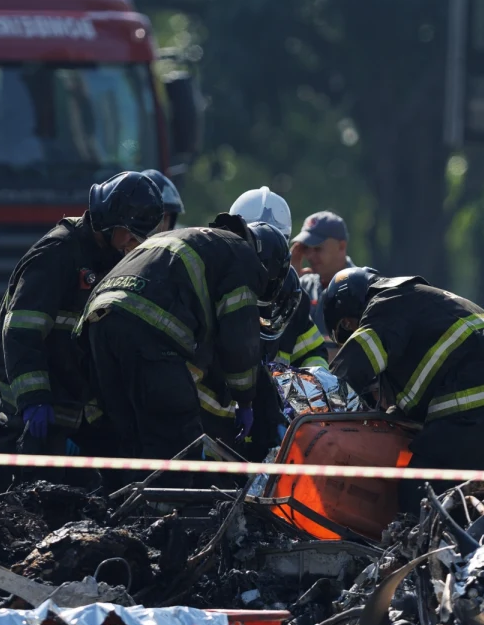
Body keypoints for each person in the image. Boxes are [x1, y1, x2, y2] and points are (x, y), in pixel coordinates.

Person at [323, 267, 484, 512]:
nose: (352, 329)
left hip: (479, 392)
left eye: (347, 326)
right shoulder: (425, 301)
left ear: (349, 313)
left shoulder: (387, 302)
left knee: (421, 493)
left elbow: (351, 368)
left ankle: (430, 551)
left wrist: (317, 403)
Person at [0, 171, 164, 469]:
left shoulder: (110, 259)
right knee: (18, 508)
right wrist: (34, 399)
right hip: (21, 416)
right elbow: (21, 332)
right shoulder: (57, 254)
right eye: (129, 234)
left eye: (138, 238)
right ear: (109, 221)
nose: (132, 243)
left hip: (71, 415)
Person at [78, 216, 291, 459]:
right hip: (151, 338)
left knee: (127, 436)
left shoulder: (184, 239)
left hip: (95, 325)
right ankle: (170, 497)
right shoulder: (241, 256)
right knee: (179, 442)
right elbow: (239, 340)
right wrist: (245, 401)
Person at [230, 188, 327, 369]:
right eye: (254, 243)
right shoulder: (215, 285)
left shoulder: (293, 297)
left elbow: (312, 353)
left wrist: (316, 382)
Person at [292, 211, 357, 342]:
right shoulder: (303, 285)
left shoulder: (362, 288)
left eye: (317, 248)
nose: (309, 256)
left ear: (341, 246)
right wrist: (291, 277)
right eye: (305, 248)